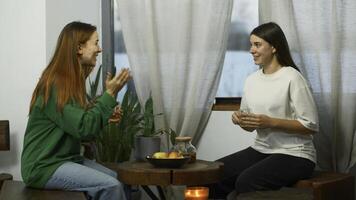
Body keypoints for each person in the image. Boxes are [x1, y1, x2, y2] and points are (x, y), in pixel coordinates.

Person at [21, 21, 130, 200]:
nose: (99, 49)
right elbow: (84, 128)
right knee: (111, 186)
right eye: (95, 42)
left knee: (114, 178)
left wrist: (104, 116)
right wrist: (110, 93)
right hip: (43, 166)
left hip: (65, 160)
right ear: (79, 47)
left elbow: (84, 131)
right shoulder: (56, 83)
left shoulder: (70, 82)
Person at [209, 22, 319, 199]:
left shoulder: (292, 77)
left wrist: (270, 122)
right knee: (212, 174)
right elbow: (250, 126)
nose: (251, 50)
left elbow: (311, 125)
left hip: (296, 154)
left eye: (257, 44)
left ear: (274, 47)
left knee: (245, 182)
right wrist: (239, 119)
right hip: (262, 149)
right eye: (251, 45)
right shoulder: (251, 80)